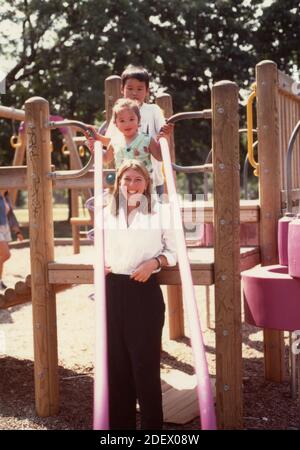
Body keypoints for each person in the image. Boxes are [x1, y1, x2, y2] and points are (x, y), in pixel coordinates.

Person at [92, 159, 177, 429]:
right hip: (112, 290)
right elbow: (100, 249)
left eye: (137, 179)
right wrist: (99, 263)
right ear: (118, 182)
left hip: (143, 292)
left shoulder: (161, 213)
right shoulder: (106, 213)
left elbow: (174, 252)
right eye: (126, 179)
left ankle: (152, 430)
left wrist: (154, 263)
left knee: (144, 367)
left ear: (147, 183)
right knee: (116, 369)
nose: (131, 185)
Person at [91, 98, 166, 187]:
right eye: (122, 121)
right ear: (116, 124)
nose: (127, 124)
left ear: (138, 120)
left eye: (131, 119)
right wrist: (94, 149)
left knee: (145, 200)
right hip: (123, 187)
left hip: (144, 187)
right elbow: (106, 158)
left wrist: (165, 138)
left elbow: (160, 156)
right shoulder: (115, 141)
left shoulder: (147, 139)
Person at [0, 191, 24, 290]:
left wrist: (17, 232)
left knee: (1, 256)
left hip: (5, 228)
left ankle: (0, 281)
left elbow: (10, 216)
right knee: (6, 254)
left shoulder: (6, 197)